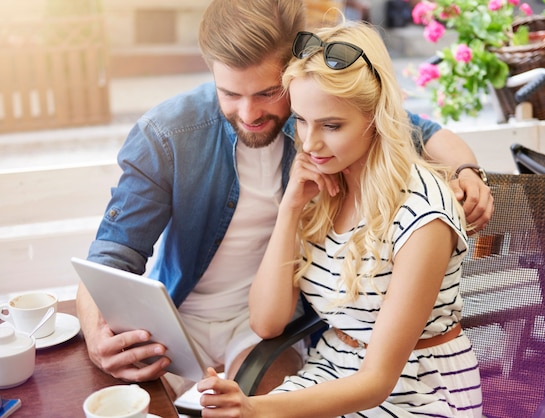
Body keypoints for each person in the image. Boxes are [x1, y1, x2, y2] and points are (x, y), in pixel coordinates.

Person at [76, 0, 492, 398]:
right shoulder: (168, 134)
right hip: (177, 316)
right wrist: (96, 336)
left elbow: (425, 132)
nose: (249, 113)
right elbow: (111, 255)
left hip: (268, 326)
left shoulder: (321, 115)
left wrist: (467, 173)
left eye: (266, 92)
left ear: (293, 67)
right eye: (230, 94)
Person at [197, 22, 482, 417]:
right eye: (300, 120)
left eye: (331, 125)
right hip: (331, 373)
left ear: (375, 117)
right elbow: (266, 323)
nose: (309, 144)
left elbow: (377, 382)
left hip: (415, 394)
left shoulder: (423, 215)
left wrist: (257, 409)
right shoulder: (325, 187)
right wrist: (290, 209)